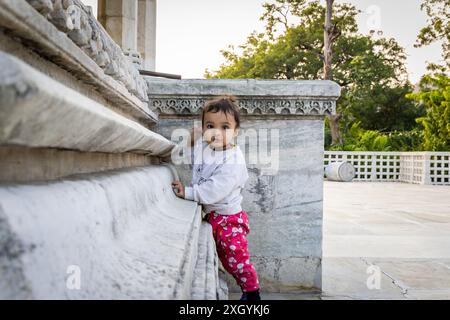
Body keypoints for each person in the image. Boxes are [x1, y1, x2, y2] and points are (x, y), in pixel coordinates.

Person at [171, 95, 261, 301]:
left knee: (236, 256)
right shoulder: (206, 147)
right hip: (214, 214)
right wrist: (192, 139)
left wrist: (189, 192)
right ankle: (248, 288)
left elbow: (215, 190)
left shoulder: (233, 160)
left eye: (225, 127)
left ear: (236, 132)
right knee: (224, 257)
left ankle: (252, 292)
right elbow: (191, 153)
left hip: (228, 218)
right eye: (210, 125)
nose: (216, 132)